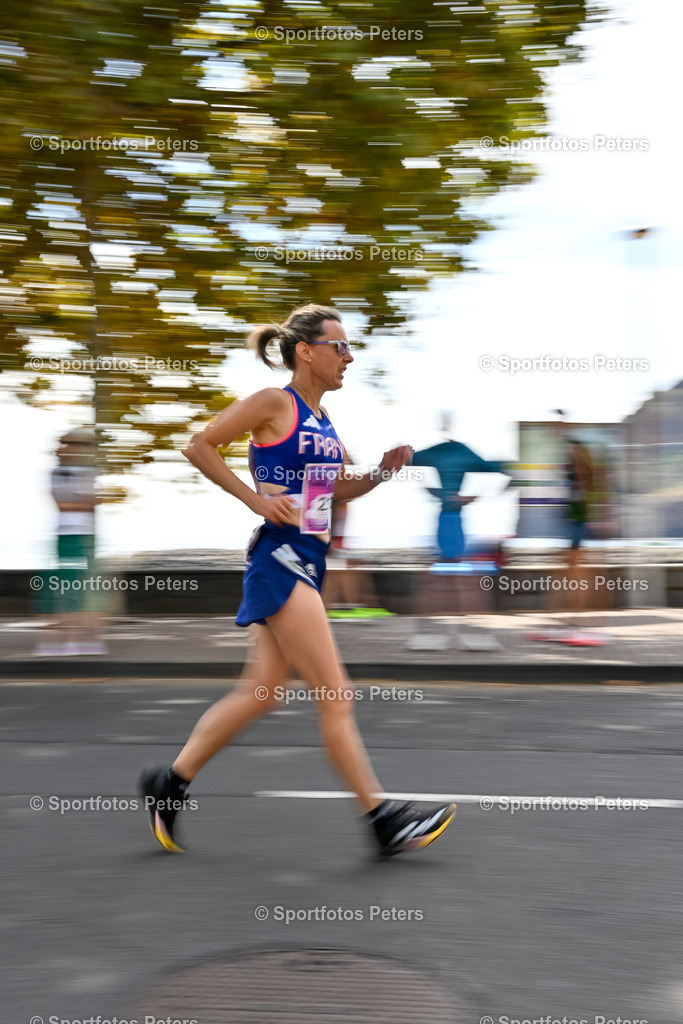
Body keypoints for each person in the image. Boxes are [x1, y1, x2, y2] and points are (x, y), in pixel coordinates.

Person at [139, 304, 455, 856]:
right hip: (281, 559)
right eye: (340, 346)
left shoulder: (323, 422)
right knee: (336, 695)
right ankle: (383, 821)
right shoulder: (273, 402)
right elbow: (198, 445)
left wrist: (381, 473)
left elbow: (329, 493)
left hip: (307, 557)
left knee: (260, 693)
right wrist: (256, 499)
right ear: (306, 351)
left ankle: (170, 783)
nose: (349, 357)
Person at [33, 429, 106, 657]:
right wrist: (87, 502)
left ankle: (84, 642)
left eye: (77, 444)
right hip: (68, 536)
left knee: (87, 587)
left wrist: (87, 501)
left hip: (87, 536)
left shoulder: (89, 471)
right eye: (67, 443)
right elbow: (64, 505)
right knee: (69, 586)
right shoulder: (60, 472)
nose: (70, 447)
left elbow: (91, 501)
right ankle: (66, 642)